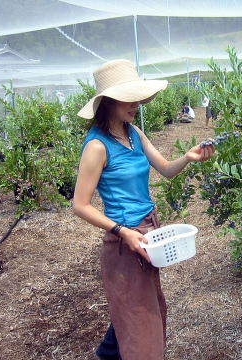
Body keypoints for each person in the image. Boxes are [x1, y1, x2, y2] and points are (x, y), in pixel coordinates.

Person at [72, 59, 215, 360]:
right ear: (108, 102)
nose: (136, 103)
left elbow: (165, 169)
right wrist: (123, 232)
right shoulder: (97, 146)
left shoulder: (133, 133)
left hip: (148, 230)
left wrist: (188, 158)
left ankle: (108, 353)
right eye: (128, 98)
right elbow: (80, 205)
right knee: (140, 319)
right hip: (125, 242)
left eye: (137, 97)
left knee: (139, 306)